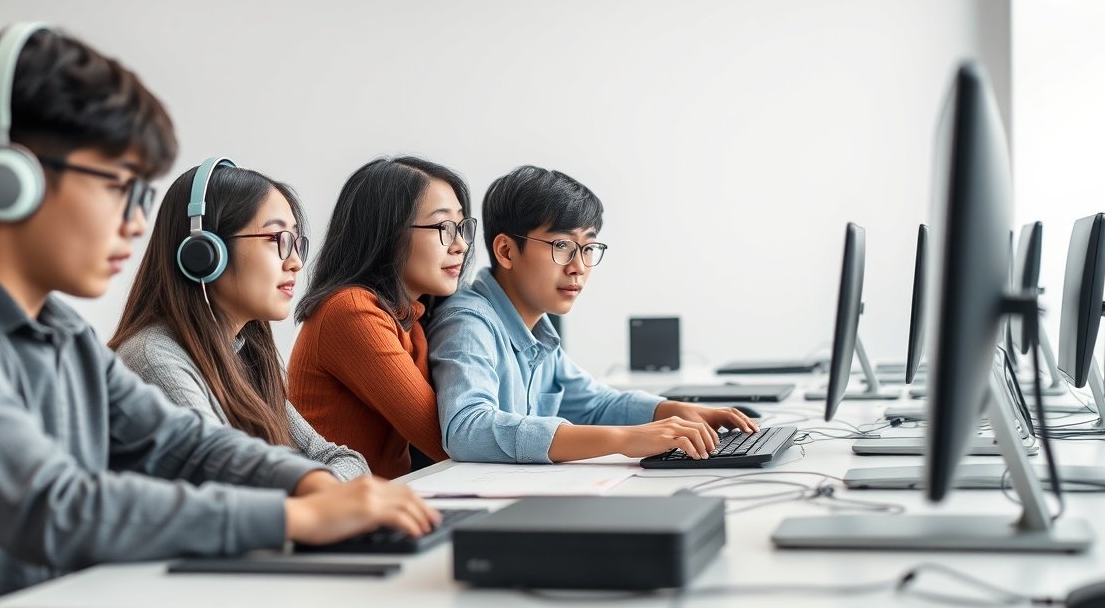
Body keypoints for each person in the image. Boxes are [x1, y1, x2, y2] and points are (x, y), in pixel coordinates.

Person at [0, 24, 435, 608]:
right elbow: (54, 506)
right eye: (115, 185)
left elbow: (180, 443)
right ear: (6, 179)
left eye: (142, 193)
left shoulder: (59, 332)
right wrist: (294, 517)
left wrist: (308, 485)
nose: (134, 221)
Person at [428, 165, 757, 464]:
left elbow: (595, 404)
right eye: (562, 246)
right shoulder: (469, 322)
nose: (579, 267)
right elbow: (467, 430)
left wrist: (672, 410)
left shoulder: (536, 329)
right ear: (506, 251)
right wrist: (623, 439)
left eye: (588, 248)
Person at [111, 158, 369, 480]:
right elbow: (234, 491)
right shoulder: (155, 359)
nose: (295, 263)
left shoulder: (242, 354)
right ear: (204, 253)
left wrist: (314, 493)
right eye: (278, 240)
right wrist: (316, 492)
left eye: (296, 243)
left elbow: (341, 458)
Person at [289, 157, 472, 478]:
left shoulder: (411, 321)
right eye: (443, 227)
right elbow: (452, 439)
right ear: (388, 233)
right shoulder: (351, 311)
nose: (461, 244)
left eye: (461, 226)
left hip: (384, 505)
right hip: (338, 515)